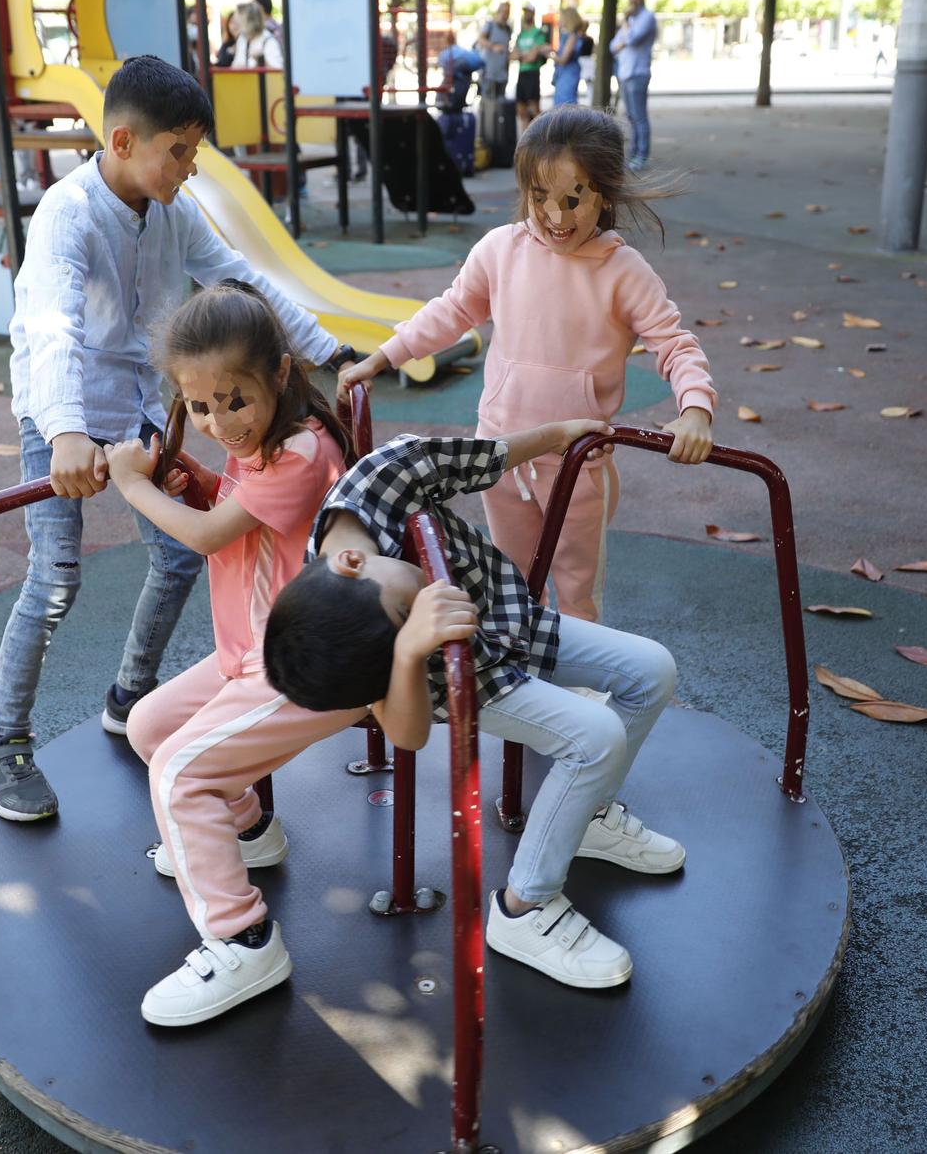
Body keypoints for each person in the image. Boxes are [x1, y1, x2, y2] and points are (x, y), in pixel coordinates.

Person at [0, 55, 345, 824]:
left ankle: (128, 693)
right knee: (54, 580)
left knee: (179, 552)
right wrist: (68, 431)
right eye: (178, 151)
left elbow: (240, 278)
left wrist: (327, 348)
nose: (190, 166)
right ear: (122, 141)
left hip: (142, 410)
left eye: (194, 152)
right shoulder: (67, 214)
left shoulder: (173, 213)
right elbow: (52, 326)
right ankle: (2, 740)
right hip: (65, 411)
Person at [263, 424, 686, 991]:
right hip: (471, 683)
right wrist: (409, 650)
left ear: (351, 562)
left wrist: (559, 434)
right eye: (407, 618)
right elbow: (406, 733)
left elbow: (481, 457)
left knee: (653, 670)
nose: (418, 603)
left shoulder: (381, 481)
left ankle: (586, 818)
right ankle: (525, 907)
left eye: (403, 607)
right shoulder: (354, 637)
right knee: (596, 737)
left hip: (513, 621)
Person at [337, 103, 714, 621]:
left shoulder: (624, 272)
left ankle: (580, 681)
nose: (556, 217)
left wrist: (695, 409)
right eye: (541, 197)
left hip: (575, 460)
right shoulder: (500, 250)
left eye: (573, 199)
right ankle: (525, 678)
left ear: (604, 194)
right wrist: (383, 357)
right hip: (502, 452)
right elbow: (451, 311)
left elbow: (674, 344)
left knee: (576, 587)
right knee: (513, 581)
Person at [106, 281, 361, 1026]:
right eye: (200, 406)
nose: (221, 421)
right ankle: (249, 830)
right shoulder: (263, 445)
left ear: (280, 374)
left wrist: (133, 485)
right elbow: (236, 508)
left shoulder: (303, 450)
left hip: (307, 662)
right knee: (150, 727)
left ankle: (242, 937)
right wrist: (199, 481)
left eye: (234, 399)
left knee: (182, 772)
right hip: (253, 650)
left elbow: (211, 535)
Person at [609, 0, 657, 170]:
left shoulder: (647, 18)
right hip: (625, 73)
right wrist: (624, 38)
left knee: (639, 116)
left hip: (638, 73)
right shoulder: (628, 22)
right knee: (630, 115)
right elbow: (613, 46)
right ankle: (634, 153)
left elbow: (633, 39)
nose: (633, 0)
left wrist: (626, 30)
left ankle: (642, 155)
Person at [477, 1, 513, 148]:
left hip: (502, 74)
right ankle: (484, 137)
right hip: (488, 73)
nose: (505, 14)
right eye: (503, 11)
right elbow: (481, 40)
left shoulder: (508, 29)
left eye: (507, 12)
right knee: (487, 104)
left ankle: (497, 138)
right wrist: (493, 47)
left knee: (500, 107)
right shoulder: (490, 25)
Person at [512, 6, 550, 130]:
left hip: (533, 73)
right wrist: (525, 54)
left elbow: (532, 57)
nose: (526, 14)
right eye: (525, 12)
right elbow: (513, 55)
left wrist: (522, 55)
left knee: (534, 110)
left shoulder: (538, 33)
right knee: (521, 110)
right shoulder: (520, 35)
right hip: (521, 74)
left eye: (529, 12)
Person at [551, 9, 586, 109]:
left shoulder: (572, 36)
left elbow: (563, 59)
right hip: (565, 73)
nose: (560, 20)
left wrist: (549, 54)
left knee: (566, 105)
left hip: (568, 73)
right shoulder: (568, 36)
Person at [233, 0, 283, 70]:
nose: (233, 25)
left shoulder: (269, 41)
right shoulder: (242, 39)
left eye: (237, 21)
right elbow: (236, 66)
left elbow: (278, 72)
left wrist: (262, 62)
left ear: (250, 21)